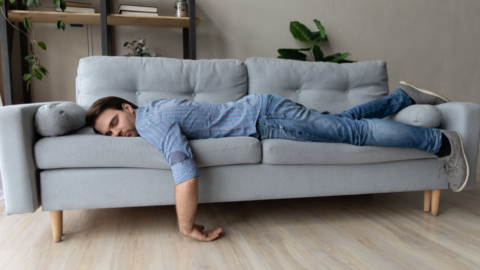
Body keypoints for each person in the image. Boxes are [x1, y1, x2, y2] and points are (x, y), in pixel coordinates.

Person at [85, 81, 469, 242]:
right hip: (265, 110)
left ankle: (441, 143)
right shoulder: (154, 110)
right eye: (110, 134)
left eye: (116, 122)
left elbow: (184, 174)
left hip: (266, 119)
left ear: (127, 107)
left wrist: (186, 228)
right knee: (343, 124)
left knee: (354, 135)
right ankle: (403, 98)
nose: (119, 133)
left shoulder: (151, 121)